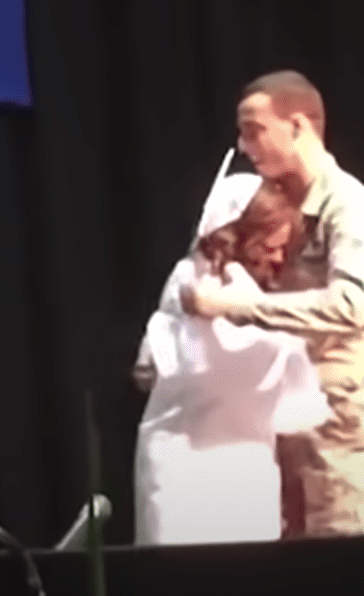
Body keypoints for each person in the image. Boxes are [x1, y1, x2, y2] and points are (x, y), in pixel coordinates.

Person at [180, 70, 364, 536]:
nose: (244, 147)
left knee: (341, 569)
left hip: (340, 427)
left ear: (298, 126)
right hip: (284, 423)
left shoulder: (350, 207)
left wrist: (232, 308)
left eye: (254, 131)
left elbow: (348, 306)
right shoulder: (274, 205)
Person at [133, 172, 331, 545]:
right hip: (183, 465)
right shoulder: (190, 282)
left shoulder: (264, 295)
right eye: (268, 246)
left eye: (281, 250)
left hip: (247, 467)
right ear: (240, 233)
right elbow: (197, 364)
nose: (276, 258)